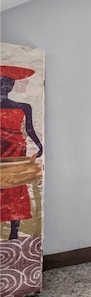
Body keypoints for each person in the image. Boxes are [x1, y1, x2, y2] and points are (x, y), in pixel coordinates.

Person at [0, 65, 43, 239]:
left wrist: (40, 145)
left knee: (16, 188)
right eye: (2, 83)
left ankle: (13, 233)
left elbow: (30, 129)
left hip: (16, 150)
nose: (5, 87)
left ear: (11, 86)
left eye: (7, 84)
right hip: (4, 148)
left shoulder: (24, 106)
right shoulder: (22, 106)